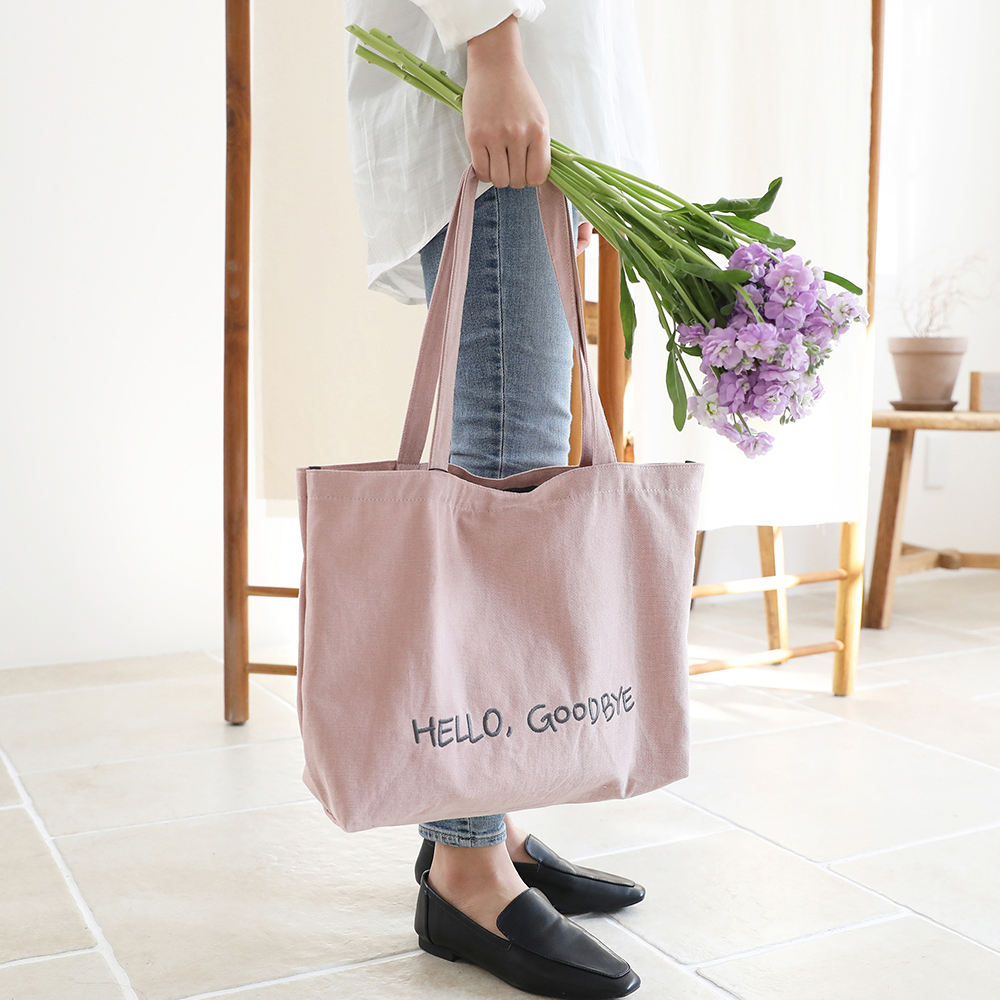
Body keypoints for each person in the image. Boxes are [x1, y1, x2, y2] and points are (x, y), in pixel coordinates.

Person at [343, 2, 659, 995]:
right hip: (496, 79)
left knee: (511, 469)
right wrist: (492, 48)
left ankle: (488, 817)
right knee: (504, 475)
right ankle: (465, 866)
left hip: (526, 95)